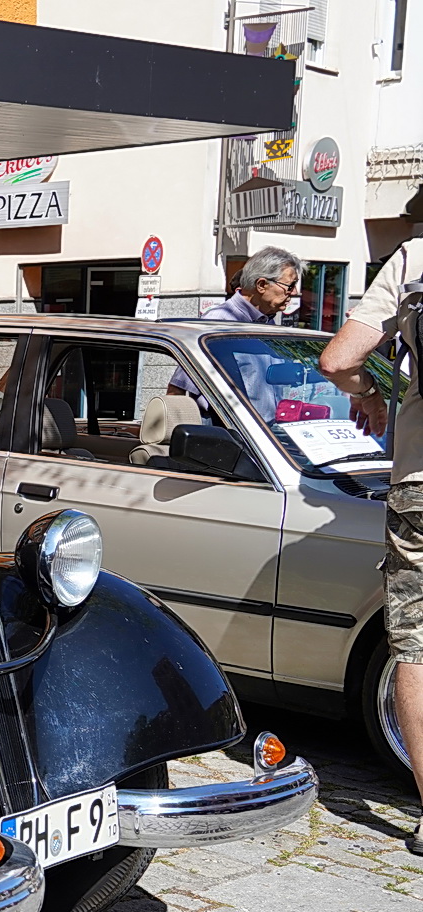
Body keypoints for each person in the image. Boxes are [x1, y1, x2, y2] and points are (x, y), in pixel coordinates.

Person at [320, 233, 423, 853]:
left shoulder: (415, 256)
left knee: (416, 646)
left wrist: (374, 392)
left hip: (421, 483)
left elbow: (336, 361)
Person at [170, 246, 302, 418]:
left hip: (264, 432)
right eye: (290, 286)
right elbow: (179, 387)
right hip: (226, 432)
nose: (295, 292)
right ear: (262, 285)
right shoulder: (220, 320)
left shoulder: (267, 321)